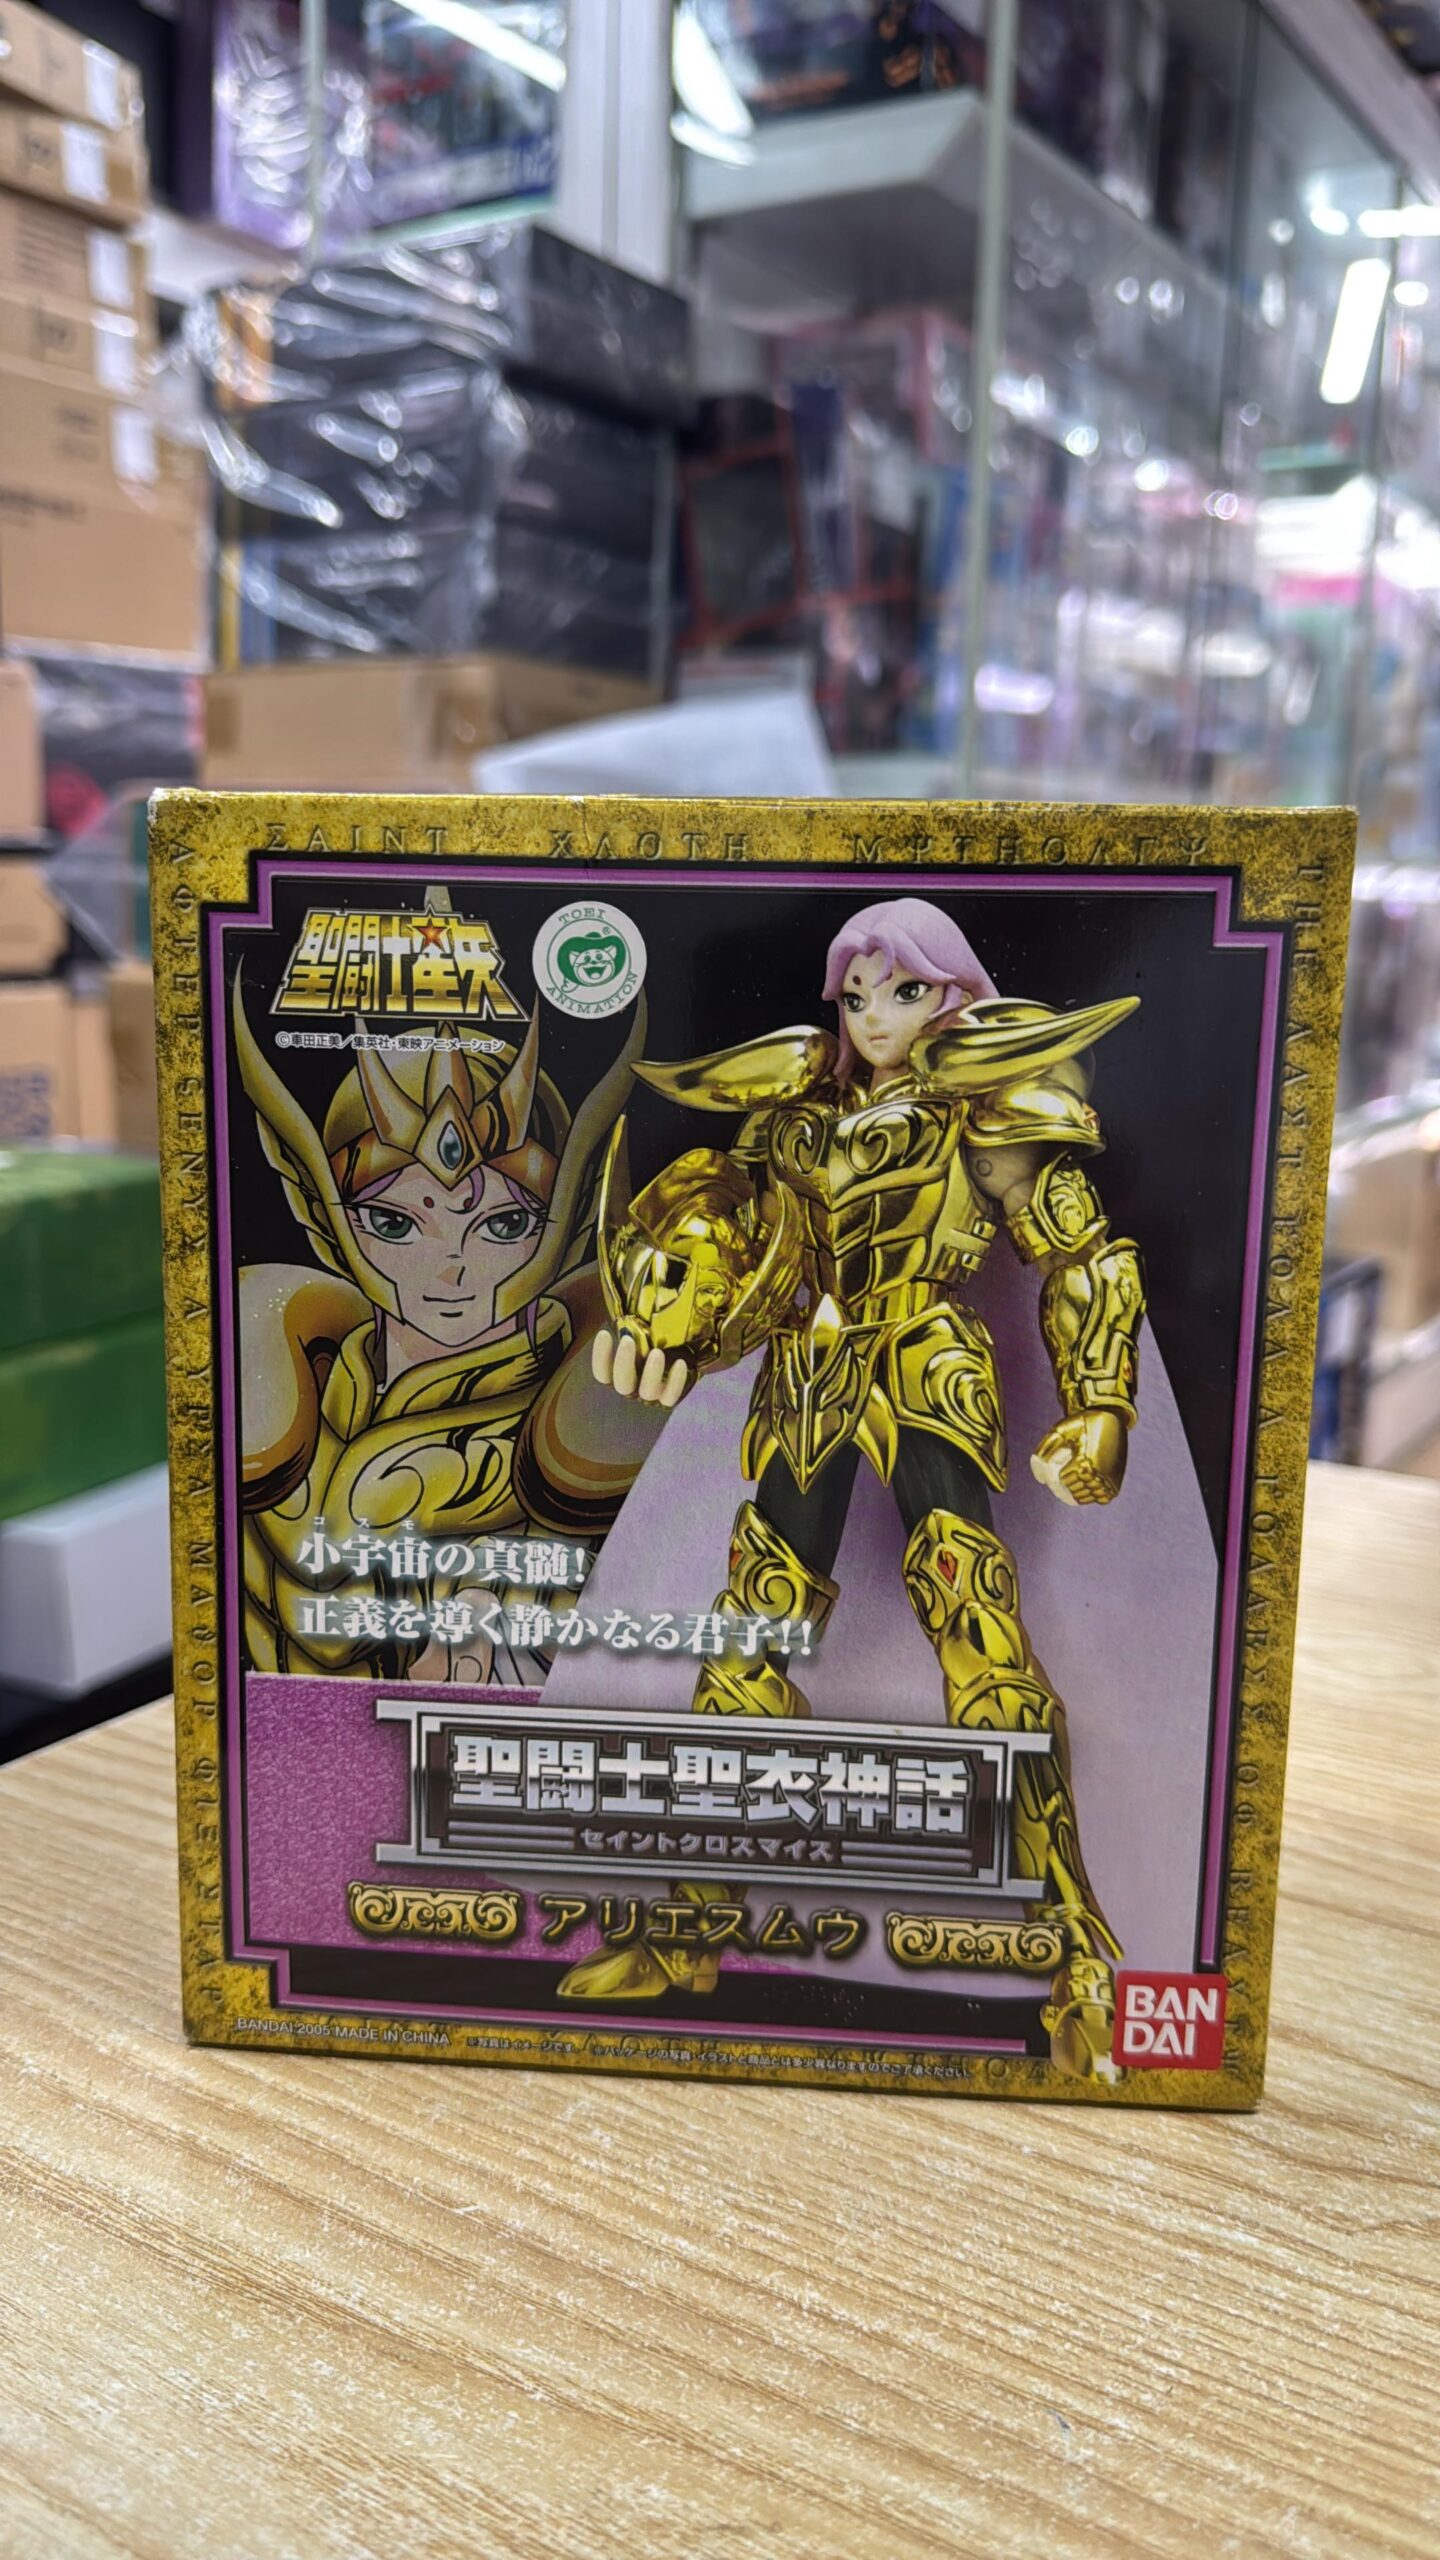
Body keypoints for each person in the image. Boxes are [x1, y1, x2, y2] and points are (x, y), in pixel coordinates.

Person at [579, 895, 1146, 2077]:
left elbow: (1081, 1251)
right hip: (809, 1369)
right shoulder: (794, 1119)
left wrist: (1101, 1402)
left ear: (954, 994)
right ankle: (687, 1925)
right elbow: (715, 1234)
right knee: (748, 1639)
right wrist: (654, 1319)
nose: (875, 1016)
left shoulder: (986, 1110)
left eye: (905, 991)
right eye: (856, 995)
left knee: (979, 1632)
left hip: (925, 1357)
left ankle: (1079, 1952)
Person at [232, 944, 657, 1686]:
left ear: (563, 1221)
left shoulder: (602, 1402)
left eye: (502, 1224)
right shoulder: (295, 1392)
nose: (452, 1268)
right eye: (395, 1224)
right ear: (324, 1217)